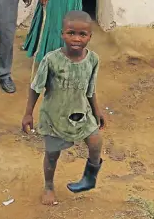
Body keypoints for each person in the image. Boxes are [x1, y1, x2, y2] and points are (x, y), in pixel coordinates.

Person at [22, 10, 105, 206]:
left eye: (82, 34)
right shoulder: (51, 60)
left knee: (95, 143)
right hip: (55, 117)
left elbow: (90, 89)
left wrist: (97, 111)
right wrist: (28, 113)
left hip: (82, 113)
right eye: (71, 33)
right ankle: (49, 186)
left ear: (90, 37)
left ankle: (89, 177)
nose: (76, 38)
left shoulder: (93, 60)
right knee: (52, 155)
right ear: (62, 34)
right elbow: (36, 87)